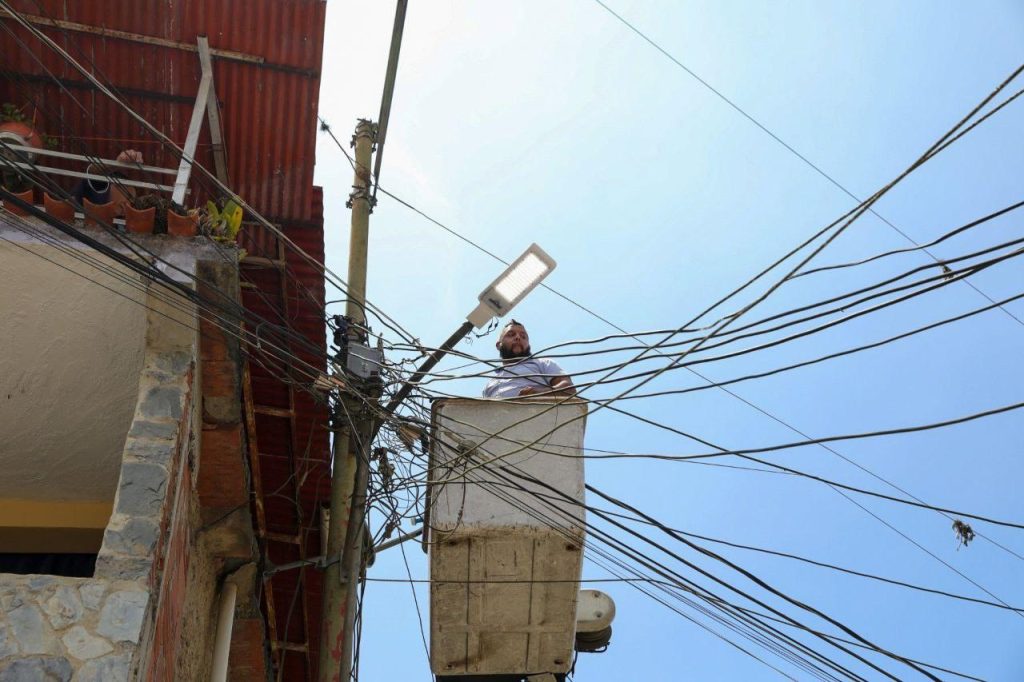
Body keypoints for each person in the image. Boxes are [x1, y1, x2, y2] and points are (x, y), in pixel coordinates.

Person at [482, 320, 575, 399]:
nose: (518, 337)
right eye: (511, 334)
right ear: (499, 345)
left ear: (528, 345)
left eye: (523, 336)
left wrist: (540, 393)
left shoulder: (542, 363)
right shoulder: (489, 385)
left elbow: (569, 389)